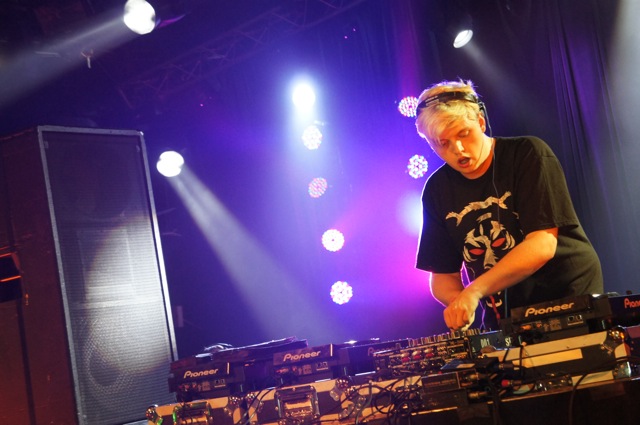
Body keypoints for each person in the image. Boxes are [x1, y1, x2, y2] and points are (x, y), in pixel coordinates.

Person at [414, 79, 603, 331]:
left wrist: (474, 291)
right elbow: (442, 276)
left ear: (481, 122)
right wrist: (459, 302)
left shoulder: (528, 153)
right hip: (504, 315)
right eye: (442, 143)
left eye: (463, 134)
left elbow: (542, 245)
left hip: (567, 296)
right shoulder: (436, 189)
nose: (457, 149)